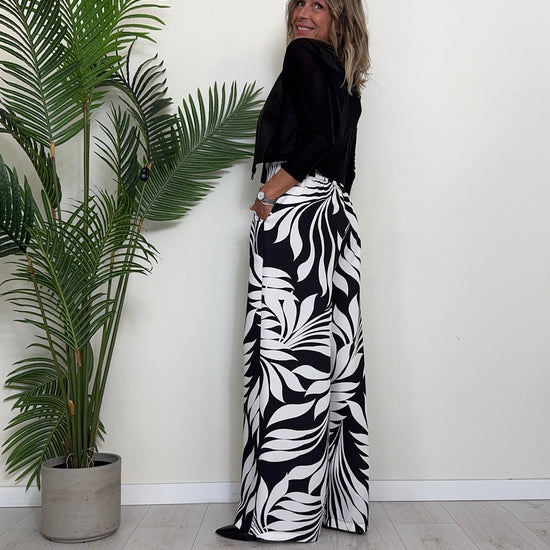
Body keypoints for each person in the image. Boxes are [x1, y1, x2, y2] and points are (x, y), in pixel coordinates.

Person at [216, 0, 371, 543]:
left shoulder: (303, 55)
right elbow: (344, 162)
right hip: (337, 217)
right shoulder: (346, 78)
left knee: (285, 359)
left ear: (339, 18)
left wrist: (268, 194)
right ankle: (331, 507)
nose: (303, 13)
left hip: (299, 217)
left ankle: (281, 519)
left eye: (319, 4)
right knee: (330, 355)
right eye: (299, 2)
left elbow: (317, 141)